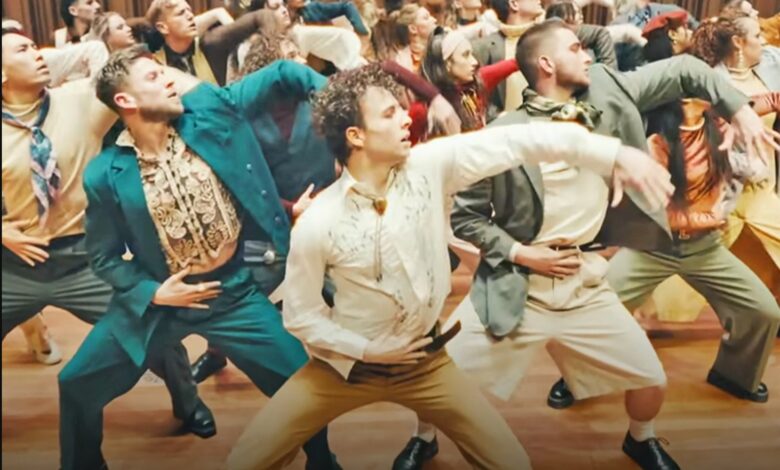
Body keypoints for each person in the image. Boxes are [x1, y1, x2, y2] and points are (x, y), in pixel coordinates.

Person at [225, 61, 677, 470]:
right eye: (390, 114)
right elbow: (301, 314)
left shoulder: (430, 165)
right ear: (355, 136)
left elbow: (518, 141)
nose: (408, 118)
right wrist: (365, 350)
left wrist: (613, 154)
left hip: (426, 364)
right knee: (249, 457)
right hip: (344, 368)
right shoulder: (319, 220)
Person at [57, 48, 337, 470]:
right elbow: (103, 256)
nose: (170, 80)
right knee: (76, 382)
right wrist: (153, 293)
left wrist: (344, 100)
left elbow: (282, 73)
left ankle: (322, 461)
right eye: (154, 77)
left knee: (302, 381)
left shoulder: (210, 116)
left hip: (232, 292)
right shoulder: (105, 173)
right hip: (161, 302)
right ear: (125, 101)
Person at [2, 26, 209, 455]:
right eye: (23, 50)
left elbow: (145, 83)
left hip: (85, 258)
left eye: (35, 45)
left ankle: (189, 403)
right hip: (17, 265)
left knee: (156, 324)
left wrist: (215, 97)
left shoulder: (80, 99)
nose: (39, 53)